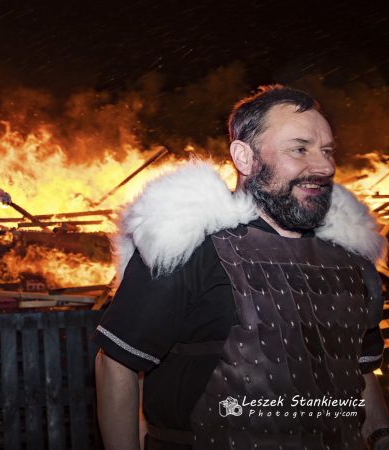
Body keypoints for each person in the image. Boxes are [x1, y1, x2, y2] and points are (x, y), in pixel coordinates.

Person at [92, 85, 389, 450]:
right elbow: (117, 365)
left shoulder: (351, 259)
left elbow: (361, 372)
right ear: (244, 158)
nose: (325, 166)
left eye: (327, 151)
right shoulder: (188, 249)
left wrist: (381, 435)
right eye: (300, 149)